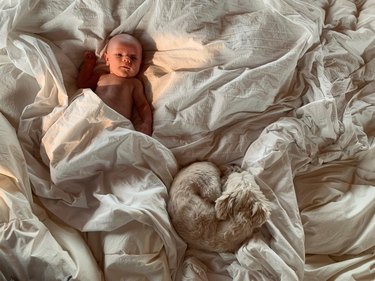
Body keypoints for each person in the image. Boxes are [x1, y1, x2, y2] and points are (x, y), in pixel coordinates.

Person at [77, 34, 153, 136]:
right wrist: (89, 64)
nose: (126, 59)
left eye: (133, 57)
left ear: (141, 64)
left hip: (115, 124)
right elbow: (82, 84)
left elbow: (143, 106)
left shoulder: (134, 84)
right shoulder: (102, 77)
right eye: (119, 55)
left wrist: (146, 123)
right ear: (107, 59)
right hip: (91, 114)